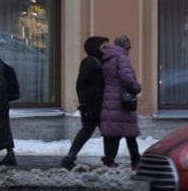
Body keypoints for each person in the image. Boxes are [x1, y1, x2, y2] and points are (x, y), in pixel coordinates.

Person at [61, 36, 108, 170]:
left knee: (93, 132)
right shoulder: (90, 62)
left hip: (100, 104)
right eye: (104, 46)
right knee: (93, 132)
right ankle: (108, 160)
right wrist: (84, 103)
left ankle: (70, 157)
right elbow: (80, 84)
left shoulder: (102, 61)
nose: (107, 49)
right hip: (93, 105)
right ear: (95, 48)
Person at [100, 34, 143, 169]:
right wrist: (137, 87)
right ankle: (136, 161)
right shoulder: (122, 58)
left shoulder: (107, 58)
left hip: (109, 99)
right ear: (125, 46)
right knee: (130, 133)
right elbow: (127, 78)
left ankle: (109, 160)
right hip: (121, 101)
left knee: (112, 133)